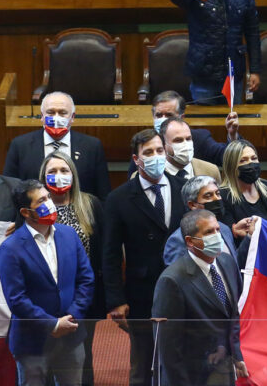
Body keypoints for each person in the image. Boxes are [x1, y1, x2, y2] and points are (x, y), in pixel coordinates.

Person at [103, 129, 186, 386]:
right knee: (143, 363)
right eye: (148, 153)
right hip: (142, 293)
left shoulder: (183, 189)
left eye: (159, 151)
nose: (156, 156)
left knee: (180, 359)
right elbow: (111, 253)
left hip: (182, 289)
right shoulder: (119, 198)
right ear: (136, 159)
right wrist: (116, 300)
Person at [0, 180, 94, 386]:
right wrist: (52, 324)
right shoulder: (10, 248)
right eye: (41, 200)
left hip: (71, 334)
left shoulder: (69, 235)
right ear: (25, 212)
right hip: (32, 341)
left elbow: (86, 279)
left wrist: (72, 317)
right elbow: (16, 299)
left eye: (48, 197)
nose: (49, 203)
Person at [152, 209, 248, 386]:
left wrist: (236, 355)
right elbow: (168, 348)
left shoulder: (227, 263)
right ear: (189, 241)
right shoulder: (172, 280)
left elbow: (233, 315)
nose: (217, 236)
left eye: (218, 229)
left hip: (225, 369)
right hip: (193, 375)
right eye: (209, 232)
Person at [37, 151, 105, 385]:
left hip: (83, 298)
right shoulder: (35, 208)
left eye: (64, 171)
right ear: (42, 177)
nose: (59, 176)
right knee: (45, 359)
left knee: (81, 358)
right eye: (52, 172)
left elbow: (104, 252)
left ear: (73, 175)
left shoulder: (90, 204)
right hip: (46, 299)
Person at [170, 0, 261, 105]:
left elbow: (252, 34)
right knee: (205, 123)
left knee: (232, 121)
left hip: (233, 73)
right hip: (204, 72)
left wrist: (255, 70)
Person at [4, 92, 111, 200]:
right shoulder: (20, 146)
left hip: (80, 213)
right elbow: (10, 190)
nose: (56, 118)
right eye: (50, 113)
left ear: (72, 117)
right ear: (42, 116)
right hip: (35, 213)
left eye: (62, 113)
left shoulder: (91, 146)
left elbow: (103, 193)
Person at [127, 90, 238, 178]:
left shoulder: (198, 138)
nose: (163, 119)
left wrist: (233, 135)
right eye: (159, 115)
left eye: (169, 115)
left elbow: (226, 158)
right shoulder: (145, 143)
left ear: (182, 117)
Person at [163, 176, 238, 267]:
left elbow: (234, 265)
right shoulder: (178, 239)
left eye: (217, 194)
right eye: (208, 196)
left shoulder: (224, 229)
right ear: (192, 204)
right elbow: (175, 277)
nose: (217, 199)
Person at [219, 139, 267, 230]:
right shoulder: (223, 196)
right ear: (232, 166)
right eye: (243, 161)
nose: (250, 163)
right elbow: (231, 234)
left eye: (254, 158)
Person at [132, 117, 222, 183]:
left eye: (188, 139)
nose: (186, 144)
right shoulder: (145, 175)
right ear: (164, 145)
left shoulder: (211, 170)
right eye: (178, 140)